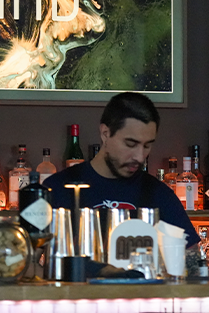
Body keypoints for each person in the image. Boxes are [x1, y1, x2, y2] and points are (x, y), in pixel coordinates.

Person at [43, 92, 199, 249]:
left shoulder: (158, 194)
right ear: (105, 134)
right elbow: (26, 258)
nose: (139, 157)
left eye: (147, 146)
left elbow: (192, 258)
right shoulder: (57, 188)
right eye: (130, 144)